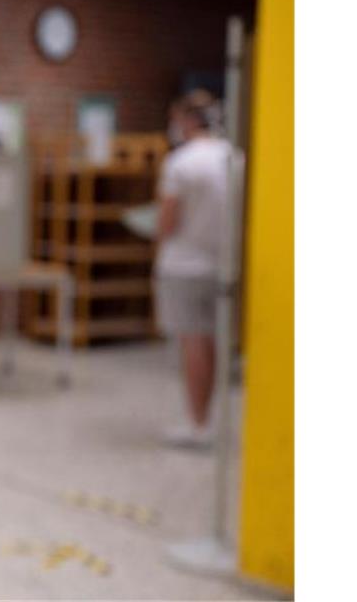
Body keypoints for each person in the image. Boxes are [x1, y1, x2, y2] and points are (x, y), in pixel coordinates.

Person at [155, 89, 234, 448]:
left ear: (186, 120)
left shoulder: (181, 163)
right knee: (213, 342)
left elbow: (167, 222)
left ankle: (197, 423)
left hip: (184, 266)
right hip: (223, 264)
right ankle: (209, 419)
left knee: (193, 344)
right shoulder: (234, 158)